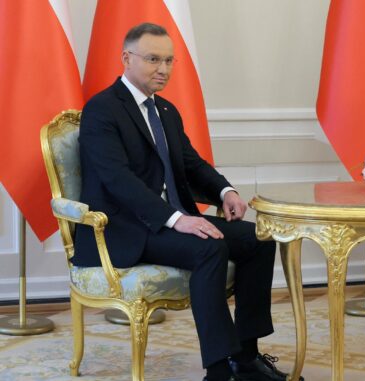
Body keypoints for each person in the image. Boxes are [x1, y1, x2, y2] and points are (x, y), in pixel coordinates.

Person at [75, 23, 301, 381]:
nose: (163, 69)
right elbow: (117, 180)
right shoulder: (102, 110)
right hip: (127, 228)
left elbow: (191, 164)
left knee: (258, 238)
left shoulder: (165, 110)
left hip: (170, 221)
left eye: (168, 60)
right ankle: (217, 370)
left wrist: (225, 192)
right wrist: (176, 219)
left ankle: (245, 358)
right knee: (210, 248)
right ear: (126, 58)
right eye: (153, 59)